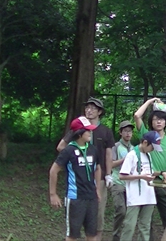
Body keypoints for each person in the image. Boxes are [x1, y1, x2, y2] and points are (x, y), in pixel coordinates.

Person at [57, 97, 114, 241]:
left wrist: (108, 174)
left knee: (97, 215)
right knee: (75, 221)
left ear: (100, 112)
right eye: (87, 107)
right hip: (79, 180)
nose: (89, 110)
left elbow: (108, 153)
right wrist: (72, 160)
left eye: (93, 108)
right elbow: (60, 147)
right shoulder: (77, 129)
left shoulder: (105, 131)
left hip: (98, 177)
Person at [134, 98, 166, 241]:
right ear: (151, 121)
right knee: (146, 219)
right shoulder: (146, 135)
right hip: (146, 181)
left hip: (164, 182)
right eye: (155, 119)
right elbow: (137, 116)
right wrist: (150, 102)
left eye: (161, 119)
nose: (159, 122)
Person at [49, 116, 101, 241]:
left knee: (92, 233)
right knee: (72, 234)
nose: (90, 132)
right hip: (75, 198)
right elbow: (53, 171)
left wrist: (97, 189)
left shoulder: (92, 149)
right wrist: (53, 194)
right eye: (87, 130)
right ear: (79, 133)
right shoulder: (69, 150)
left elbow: (98, 168)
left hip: (91, 197)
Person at [119, 131, 166, 240]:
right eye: (152, 147)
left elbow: (150, 172)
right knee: (129, 226)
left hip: (148, 195)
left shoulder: (148, 154)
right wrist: (141, 177)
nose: (153, 150)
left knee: (145, 226)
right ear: (145, 143)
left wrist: (163, 173)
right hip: (135, 197)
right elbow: (122, 176)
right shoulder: (132, 155)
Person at [110, 120, 134, 241]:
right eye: (125, 131)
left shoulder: (134, 148)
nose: (128, 134)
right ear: (120, 133)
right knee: (121, 210)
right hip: (117, 182)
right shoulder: (115, 146)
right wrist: (124, 160)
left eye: (130, 131)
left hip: (130, 184)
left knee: (130, 213)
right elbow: (111, 164)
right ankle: (116, 235)